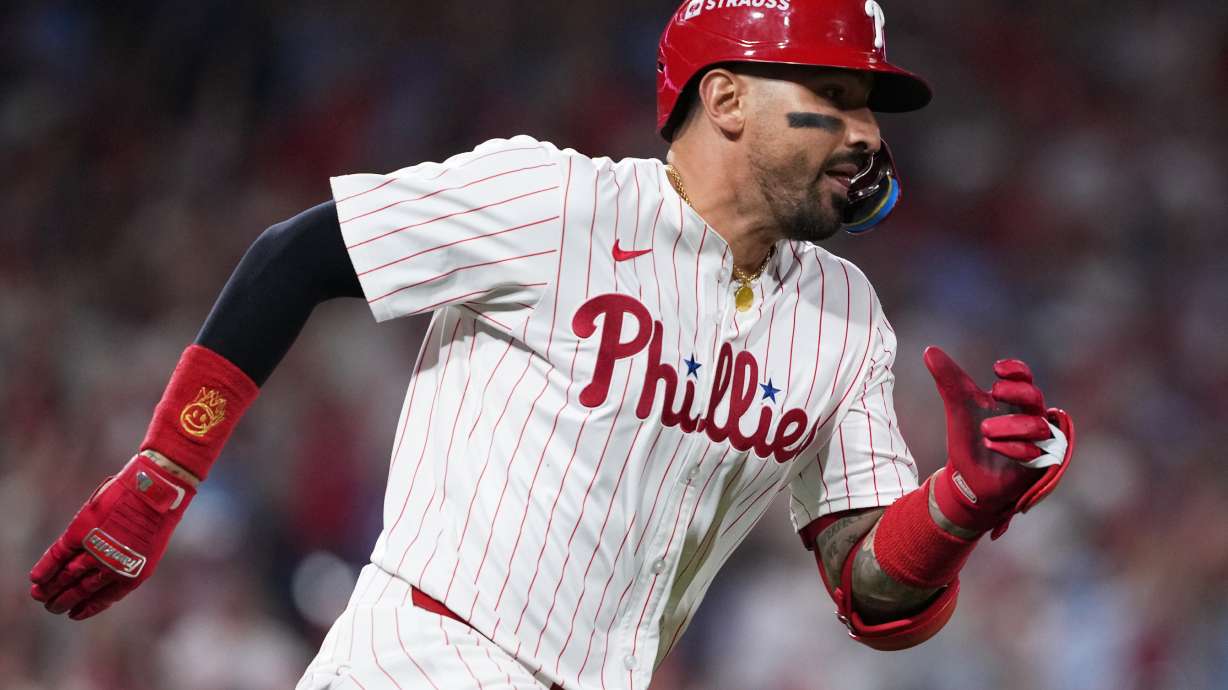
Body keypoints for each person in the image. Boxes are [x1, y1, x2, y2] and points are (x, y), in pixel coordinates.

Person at [29, 2, 1075, 689]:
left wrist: (954, 510)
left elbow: (871, 598)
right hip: (427, 658)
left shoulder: (845, 318)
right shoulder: (555, 200)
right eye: (835, 98)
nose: (867, 134)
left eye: (871, 109)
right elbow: (296, 254)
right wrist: (165, 472)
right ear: (724, 99)